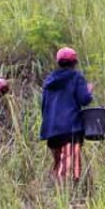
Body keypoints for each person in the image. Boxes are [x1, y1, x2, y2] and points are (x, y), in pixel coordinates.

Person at [39, 47, 94, 182]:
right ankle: (69, 198)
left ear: (58, 62)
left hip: (51, 129)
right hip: (71, 128)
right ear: (74, 63)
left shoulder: (49, 81)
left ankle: (55, 195)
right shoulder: (76, 77)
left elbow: (43, 106)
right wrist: (88, 90)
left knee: (58, 164)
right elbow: (84, 100)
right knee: (71, 168)